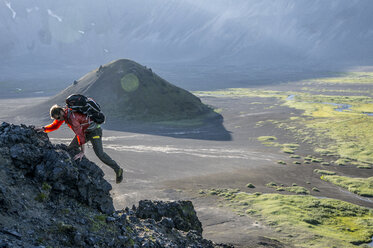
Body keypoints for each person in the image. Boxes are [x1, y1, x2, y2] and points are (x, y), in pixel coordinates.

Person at [36, 104, 123, 184]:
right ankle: (80, 168)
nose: (59, 120)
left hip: (94, 131)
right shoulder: (65, 115)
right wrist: (43, 128)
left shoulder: (72, 118)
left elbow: (80, 135)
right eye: (57, 118)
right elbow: (55, 125)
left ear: (61, 112)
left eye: (58, 117)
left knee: (100, 153)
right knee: (71, 148)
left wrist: (82, 152)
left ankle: (117, 169)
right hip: (86, 131)